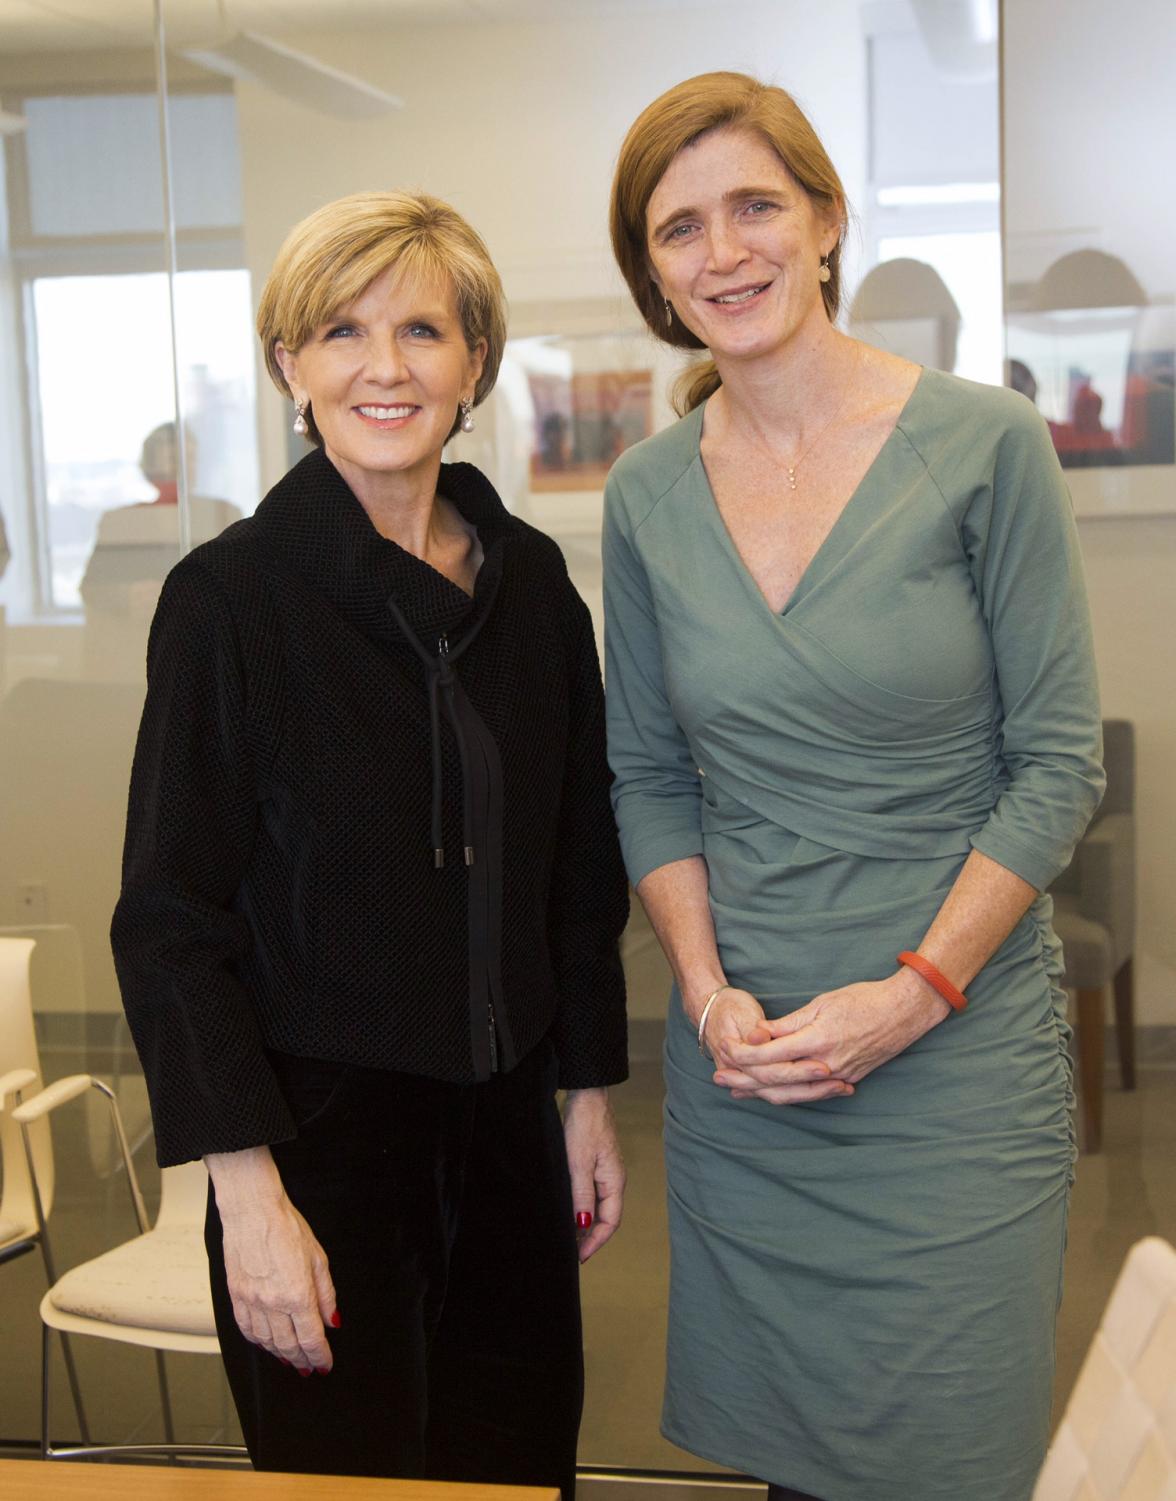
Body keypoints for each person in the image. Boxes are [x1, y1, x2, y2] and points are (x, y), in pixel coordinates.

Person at [603, 73, 1102, 1501]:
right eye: (680, 225)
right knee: (796, 1470)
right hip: (750, 1071)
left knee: (951, 1453)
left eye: (756, 203)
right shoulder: (646, 494)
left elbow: (1056, 761)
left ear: (826, 219)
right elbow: (647, 771)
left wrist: (911, 994)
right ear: (652, 268)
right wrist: (703, 992)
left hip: (948, 1060)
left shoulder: (985, 443)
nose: (725, 251)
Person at [112, 190, 629, 1495]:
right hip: (320, 1155)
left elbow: (574, 859)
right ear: (291, 364)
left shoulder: (534, 588)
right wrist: (249, 1196)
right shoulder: (232, 601)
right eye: (340, 332)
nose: (384, 367)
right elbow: (171, 924)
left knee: (518, 1474)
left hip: (511, 1136)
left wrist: (588, 1094)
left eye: (422, 330)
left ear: (475, 364)